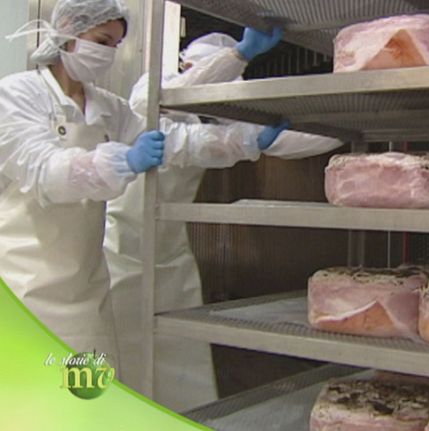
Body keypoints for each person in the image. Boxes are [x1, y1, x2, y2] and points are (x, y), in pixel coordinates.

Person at [0, 0, 307, 378]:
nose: (107, 53)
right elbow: (44, 171)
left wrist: (243, 142)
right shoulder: (17, 94)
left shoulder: (108, 108)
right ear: (67, 33)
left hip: (86, 286)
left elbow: (173, 142)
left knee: (86, 394)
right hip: (24, 283)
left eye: (114, 45)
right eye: (101, 41)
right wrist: (122, 162)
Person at [103, 32, 344, 409]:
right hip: (119, 252)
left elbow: (287, 139)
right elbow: (179, 131)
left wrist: (348, 124)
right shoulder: (155, 88)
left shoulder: (215, 119)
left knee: (181, 363)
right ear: (189, 66)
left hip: (170, 257)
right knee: (119, 357)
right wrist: (239, 55)